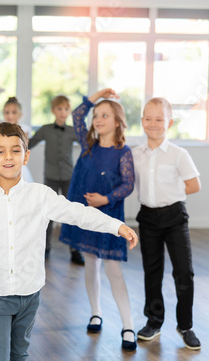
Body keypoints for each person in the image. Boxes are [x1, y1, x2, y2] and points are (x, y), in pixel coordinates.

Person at [0, 122, 139, 360]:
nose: (8, 157)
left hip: (30, 292)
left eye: (15, 150)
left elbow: (78, 213)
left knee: (20, 353)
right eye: (0, 151)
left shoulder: (41, 195)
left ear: (26, 156)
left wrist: (116, 226)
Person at [59, 89, 137, 351]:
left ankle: (128, 325)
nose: (98, 119)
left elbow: (128, 185)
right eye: (97, 116)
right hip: (87, 218)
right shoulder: (87, 145)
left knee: (113, 271)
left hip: (111, 216)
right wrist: (97, 96)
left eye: (105, 115)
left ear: (117, 122)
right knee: (91, 264)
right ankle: (96, 312)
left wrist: (105, 199)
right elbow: (77, 115)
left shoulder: (123, 152)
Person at [132, 97, 201, 350]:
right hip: (148, 218)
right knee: (152, 273)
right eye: (148, 119)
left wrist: (170, 191)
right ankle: (154, 321)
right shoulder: (135, 155)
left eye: (159, 119)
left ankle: (185, 325)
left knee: (184, 272)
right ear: (142, 122)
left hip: (174, 218)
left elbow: (194, 185)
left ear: (169, 123)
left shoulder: (178, 154)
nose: (153, 124)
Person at [29, 95, 84, 263]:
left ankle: (75, 250)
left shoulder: (72, 131)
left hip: (69, 177)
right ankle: (45, 248)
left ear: (69, 112)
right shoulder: (45, 129)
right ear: (53, 110)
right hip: (51, 177)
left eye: (66, 109)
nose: (63, 112)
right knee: (48, 214)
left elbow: (88, 144)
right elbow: (28, 143)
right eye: (59, 108)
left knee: (71, 213)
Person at [0, 88, 33, 185]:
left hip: (16, 164)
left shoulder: (24, 130)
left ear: (20, 114)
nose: (10, 115)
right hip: (0, 163)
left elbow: (23, 149)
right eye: (6, 112)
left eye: (13, 112)